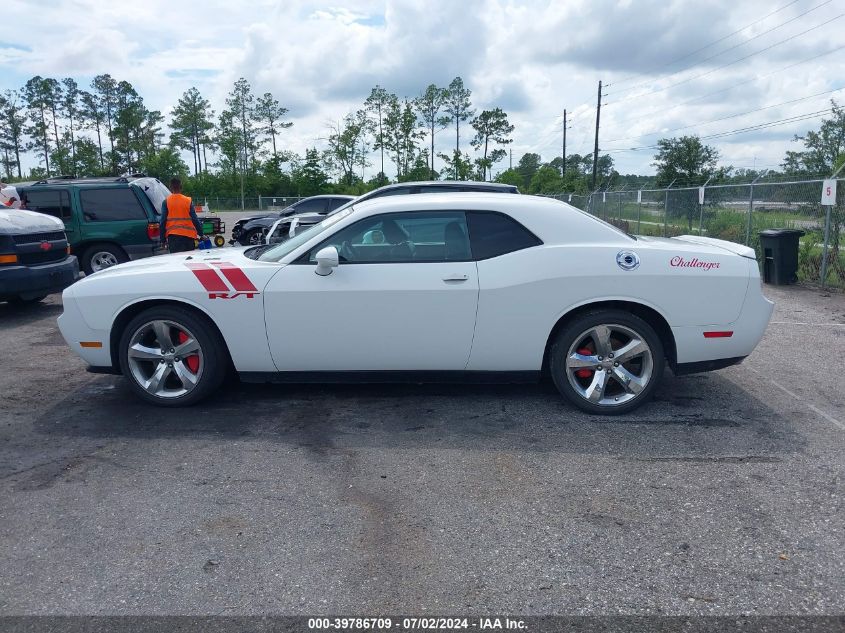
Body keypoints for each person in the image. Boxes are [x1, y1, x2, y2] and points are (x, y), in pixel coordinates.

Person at [160, 177, 203, 254]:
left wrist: (163, 240)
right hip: (189, 237)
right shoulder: (188, 201)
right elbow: (195, 219)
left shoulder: (166, 202)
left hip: (174, 238)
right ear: (181, 187)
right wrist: (201, 234)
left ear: (170, 188)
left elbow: (162, 222)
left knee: (177, 262)